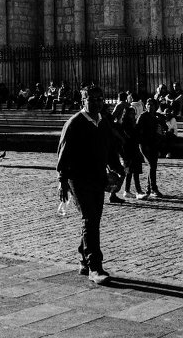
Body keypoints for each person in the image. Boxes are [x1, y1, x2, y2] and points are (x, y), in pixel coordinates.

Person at [56, 84, 121, 285]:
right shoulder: (74, 123)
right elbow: (63, 153)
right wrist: (62, 181)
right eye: (91, 99)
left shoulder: (103, 122)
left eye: (100, 99)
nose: (97, 102)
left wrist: (117, 168)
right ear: (82, 101)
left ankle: (84, 260)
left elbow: (109, 149)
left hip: (98, 178)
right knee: (90, 219)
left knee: (92, 221)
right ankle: (95, 268)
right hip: (78, 179)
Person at [137, 97, 165, 197]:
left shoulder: (157, 116)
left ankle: (150, 188)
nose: (149, 106)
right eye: (148, 104)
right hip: (145, 144)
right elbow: (138, 130)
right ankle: (152, 188)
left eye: (152, 104)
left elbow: (164, 127)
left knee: (153, 166)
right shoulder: (143, 116)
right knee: (151, 165)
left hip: (154, 143)